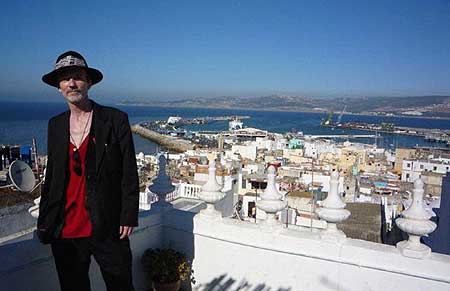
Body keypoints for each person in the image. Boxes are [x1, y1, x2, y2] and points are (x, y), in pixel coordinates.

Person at [37, 51, 139, 291]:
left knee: (121, 286)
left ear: (89, 82)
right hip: (65, 230)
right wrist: (45, 221)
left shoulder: (114, 119)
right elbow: (52, 176)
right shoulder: (56, 124)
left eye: (77, 77)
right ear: (59, 87)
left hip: (108, 225)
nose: (71, 83)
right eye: (65, 79)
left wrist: (128, 215)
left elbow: (128, 170)